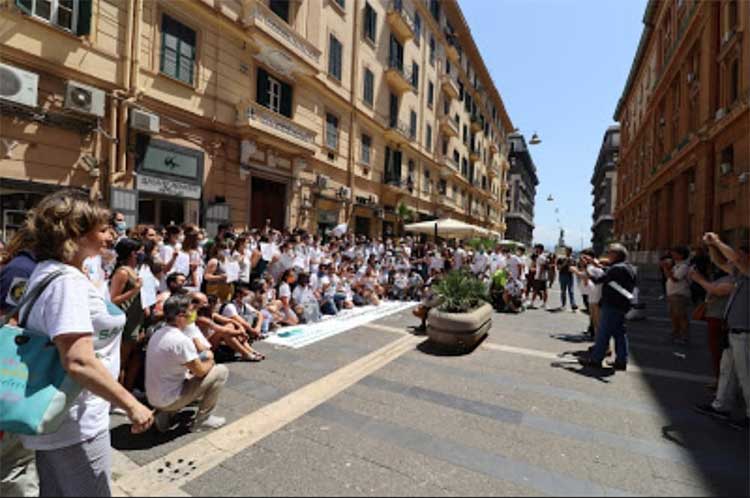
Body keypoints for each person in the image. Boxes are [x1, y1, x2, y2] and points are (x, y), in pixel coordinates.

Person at [18, 190, 153, 497]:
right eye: (102, 228)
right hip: (76, 421)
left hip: (60, 419)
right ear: (75, 233)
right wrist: (130, 404)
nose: (111, 235)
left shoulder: (50, 272)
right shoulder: (67, 282)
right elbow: (78, 360)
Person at [146, 294, 229, 433]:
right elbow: (201, 371)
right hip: (168, 398)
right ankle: (203, 420)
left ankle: (165, 414)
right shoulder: (181, 340)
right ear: (180, 315)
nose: (193, 314)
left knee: (190, 374)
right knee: (221, 371)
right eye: (191, 310)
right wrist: (210, 359)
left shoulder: (158, 332)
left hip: (154, 396)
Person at [693, 232, 750, 430]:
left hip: (745, 333)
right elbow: (721, 262)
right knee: (727, 371)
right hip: (734, 331)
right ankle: (721, 406)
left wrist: (717, 241)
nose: (737, 258)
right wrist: (711, 246)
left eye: (742, 255)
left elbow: (733, 260)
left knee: (746, 376)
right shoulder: (740, 273)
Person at [579, 243, 636, 371]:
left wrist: (587, 267)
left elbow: (598, 279)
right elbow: (609, 274)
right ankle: (621, 361)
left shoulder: (616, 268)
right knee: (619, 333)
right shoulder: (627, 267)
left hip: (612, 304)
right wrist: (595, 264)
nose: (607, 255)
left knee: (603, 333)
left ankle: (596, 359)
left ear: (615, 254)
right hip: (622, 304)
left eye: (609, 252)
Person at [109, 238, 145, 393]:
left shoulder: (135, 270)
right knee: (122, 361)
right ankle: (117, 397)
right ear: (132, 253)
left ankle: (128, 390)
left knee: (134, 357)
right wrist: (133, 290)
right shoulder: (122, 273)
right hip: (126, 321)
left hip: (137, 319)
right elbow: (113, 299)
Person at [689, 265, 733, 383]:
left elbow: (716, 291)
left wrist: (698, 278)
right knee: (716, 353)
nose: (728, 262)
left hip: (721, 319)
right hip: (715, 316)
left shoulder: (735, 278)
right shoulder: (726, 276)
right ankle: (720, 381)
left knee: (720, 353)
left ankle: (722, 382)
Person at [662, 245, 692, 345]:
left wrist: (666, 267)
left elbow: (675, 279)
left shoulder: (684, 266)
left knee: (681, 316)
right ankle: (676, 333)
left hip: (679, 295)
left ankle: (685, 336)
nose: (672, 254)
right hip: (672, 294)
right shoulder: (676, 265)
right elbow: (668, 277)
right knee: (674, 316)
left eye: (674, 253)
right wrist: (666, 268)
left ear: (681, 255)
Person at [556, 246, 578, 312]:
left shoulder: (573, 259)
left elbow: (575, 267)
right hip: (562, 275)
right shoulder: (561, 259)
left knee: (571, 291)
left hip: (570, 276)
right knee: (563, 291)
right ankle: (563, 305)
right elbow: (558, 268)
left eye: (569, 251)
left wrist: (572, 266)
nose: (568, 252)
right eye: (567, 250)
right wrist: (565, 263)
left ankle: (573, 304)